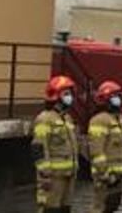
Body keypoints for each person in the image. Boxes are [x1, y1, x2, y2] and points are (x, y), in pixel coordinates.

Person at [31, 75, 80, 213]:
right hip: (53, 178)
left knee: (65, 209)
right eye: (66, 94)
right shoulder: (45, 119)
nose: (70, 97)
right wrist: (45, 174)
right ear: (56, 96)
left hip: (68, 175)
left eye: (70, 94)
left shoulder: (67, 118)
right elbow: (38, 148)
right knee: (50, 209)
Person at [87, 80, 122, 213]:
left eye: (119, 96)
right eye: (115, 96)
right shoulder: (99, 120)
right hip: (106, 177)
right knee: (100, 208)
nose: (118, 99)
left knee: (112, 206)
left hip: (117, 176)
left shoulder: (118, 119)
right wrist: (105, 175)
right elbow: (97, 152)